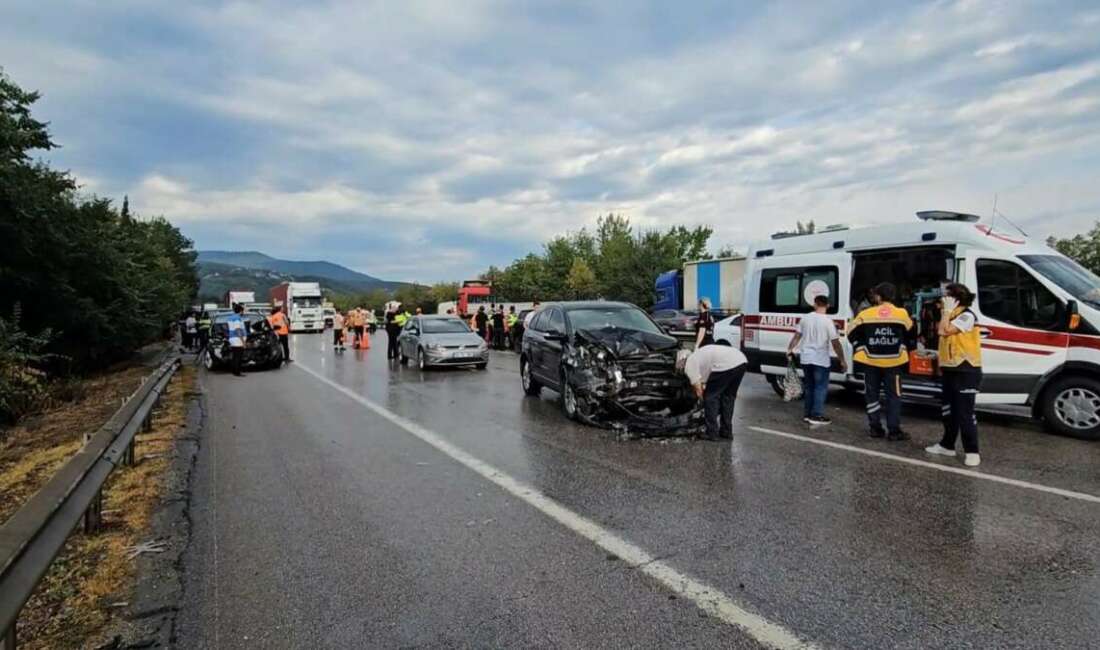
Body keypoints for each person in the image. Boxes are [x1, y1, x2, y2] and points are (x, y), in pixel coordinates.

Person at [846, 282, 915, 440]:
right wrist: (903, 347)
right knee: (894, 397)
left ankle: (875, 429)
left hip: (871, 363)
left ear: (877, 296)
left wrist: (860, 347)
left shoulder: (866, 314)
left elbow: (850, 333)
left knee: (872, 395)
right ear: (893, 296)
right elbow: (911, 335)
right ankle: (894, 431)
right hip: (894, 363)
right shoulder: (901, 314)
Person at [925, 283, 984, 467]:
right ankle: (947, 445)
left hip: (966, 371)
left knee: (965, 413)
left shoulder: (966, 315)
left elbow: (943, 331)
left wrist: (946, 312)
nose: (941, 300)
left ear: (955, 299)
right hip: (950, 370)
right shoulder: (951, 314)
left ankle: (972, 451)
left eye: (945, 297)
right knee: (948, 411)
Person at [787, 295, 847, 426]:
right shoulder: (827, 322)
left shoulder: (805, 318)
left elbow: (797, 336)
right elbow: (836, 343)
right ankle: (817, 415)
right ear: (828, 305)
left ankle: (807, 414)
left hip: (806, 358)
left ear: (815, 304)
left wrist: (790, 349)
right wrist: (842, 360)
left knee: (809, 387)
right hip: (820, 360)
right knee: (820, 387)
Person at [683, 341, 748, 441]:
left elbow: (698, 388)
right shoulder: (698, 356)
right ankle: (726, 432)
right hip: (741, 361)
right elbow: (706, 380)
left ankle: (712, 433)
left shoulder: (689, 364)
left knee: (710, 398)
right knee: (728, 397)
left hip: (725, 364)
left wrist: (701, 401)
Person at [226, 304, 247, 376]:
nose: (243, 312)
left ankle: (234, 371)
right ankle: (237, 372)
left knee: (235, 356)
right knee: (238, 356)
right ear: (241, 311)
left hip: (232, 338)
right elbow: (237, 330)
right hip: (237, 340)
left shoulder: (230, 317)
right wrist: (243, 342)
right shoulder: (237, 318)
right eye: (243, 311)